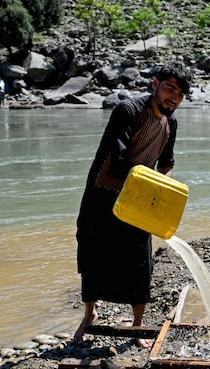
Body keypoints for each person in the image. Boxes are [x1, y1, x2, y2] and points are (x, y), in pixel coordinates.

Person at [74, 62, 192, 348]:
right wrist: (150, 186)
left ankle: (137, 324)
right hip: (103, 190)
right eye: (169, 88)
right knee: (93, 253)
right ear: (155, 85)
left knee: (139, 260)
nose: (173, 97)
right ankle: (90, 315)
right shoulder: (128, 111)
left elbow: (167, 163)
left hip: (140, 195)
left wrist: (164, 193)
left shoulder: (170, 123)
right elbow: (120, 155)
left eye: (180, 93)